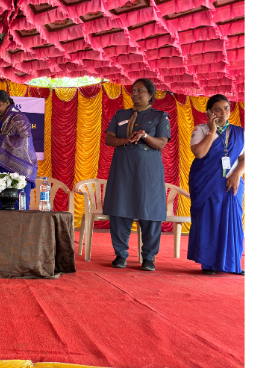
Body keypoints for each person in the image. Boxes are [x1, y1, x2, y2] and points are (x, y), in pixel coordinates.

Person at [103, 78, 171, 271]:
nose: (135, 94)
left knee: (150, 211)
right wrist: (126, 140)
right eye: (133, 90)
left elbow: (161, 144)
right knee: (120, 208)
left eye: (140, 90)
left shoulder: (160, 116)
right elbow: (109, 138)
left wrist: (144, 135)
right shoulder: (120, 114)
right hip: (123, 168)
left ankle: (148, 257)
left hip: (148, 171)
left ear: (150, 95)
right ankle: (120, 254)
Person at [187, 94, 245, 275]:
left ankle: (232, 264)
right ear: (209, 113)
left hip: (231, 182)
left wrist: (236, 174)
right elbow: (199, 153)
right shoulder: (201, 130)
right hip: (206, 182)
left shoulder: (239, 132)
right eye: (218, 110)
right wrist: (212, 131)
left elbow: (245, 158)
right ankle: (209, 263)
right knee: (209, 220)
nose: (223, 112)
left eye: (226, 108)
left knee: (232, 221)